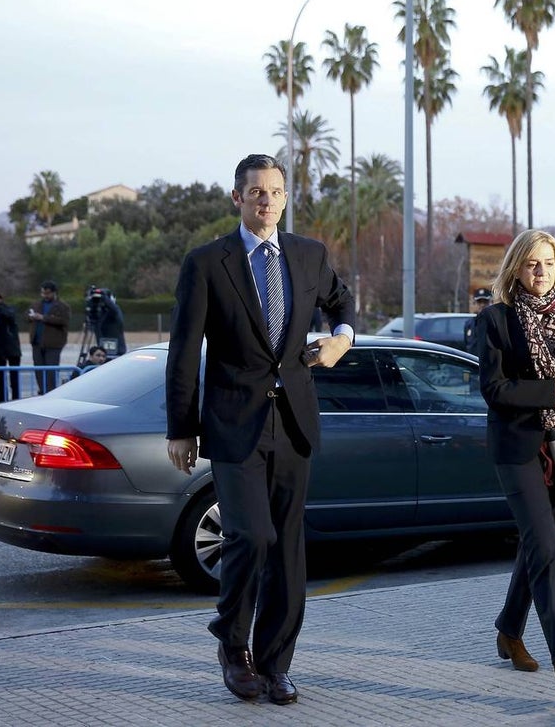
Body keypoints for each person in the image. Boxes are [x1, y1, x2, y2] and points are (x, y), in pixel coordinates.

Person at [165, 153, 356, 706]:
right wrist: (181, 426)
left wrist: (341, 336)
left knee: (288, 553)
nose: (266, 200)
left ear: (285, 196)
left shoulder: (308, 254)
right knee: (251, 536)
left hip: (293, 421)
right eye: (256, 193)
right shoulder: (206, 263)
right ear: (237, 198)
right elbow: (183, 351)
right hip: (232, 424)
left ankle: (275, 665)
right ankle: (232, 642)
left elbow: (341, 301)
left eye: (275, 191)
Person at [475, 229, 555, 707]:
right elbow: (495, 390)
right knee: (546, 548)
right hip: (518, 448)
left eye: (547, 263)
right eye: (531, 264)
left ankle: (509, 630)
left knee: (537, 547)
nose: (540, 271)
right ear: (516, 270)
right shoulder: (496, 320)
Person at [27, 280, 71, 395]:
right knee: (39, 370)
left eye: (47, 293)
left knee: (51, 371)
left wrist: (43, 318)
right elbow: (26, 316)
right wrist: (31, 317)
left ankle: (50, 392)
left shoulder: (63, 306)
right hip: (37, 342)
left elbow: (64, 321)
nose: (45, 296)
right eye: (43, 293)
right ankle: (42, 391)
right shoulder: (36, 304)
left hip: (53, 343)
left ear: (54, 293)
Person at [0, 291, 22, 402]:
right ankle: (2, 401)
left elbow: (9, 315)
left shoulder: (8, 308)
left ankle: (16, 401)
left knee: (14, 379)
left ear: (0, 298)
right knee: (0, 379)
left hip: (12, 347)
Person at [463, 287, 492, 356]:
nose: (482, 305)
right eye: (479, 302)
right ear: (475, 303)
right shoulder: (469, 324)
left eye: (485, 302)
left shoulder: (496, 323)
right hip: (472, 363)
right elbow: (467, 345)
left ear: (490, 303)